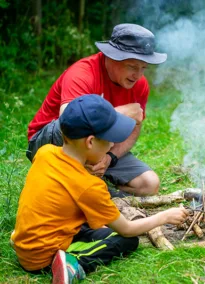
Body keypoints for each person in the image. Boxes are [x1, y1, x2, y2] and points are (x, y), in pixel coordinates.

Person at [11, 95, 189, 283]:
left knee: (100, 228)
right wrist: (165, 216)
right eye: (110, 139)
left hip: (26, 243)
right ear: (90, 142)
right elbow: (127, 229)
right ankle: (74, 264)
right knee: (127, 240)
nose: (113, 144)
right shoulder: (89, 185)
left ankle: (50, 251)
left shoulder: (45, 152)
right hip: (41, 258)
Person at [26, 23, 167, 197]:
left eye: (143, 68)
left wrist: (110, 158)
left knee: (149, 184)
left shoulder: (139, 85)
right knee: (75, 125)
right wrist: (118, 113)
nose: (138, 75)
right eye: (132, 66)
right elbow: (69, 124)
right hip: (52, 142)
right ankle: (87, 189)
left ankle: (96, 191)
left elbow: (134, 128)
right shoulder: (82, 73)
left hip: (100, 146)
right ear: (112, 56)